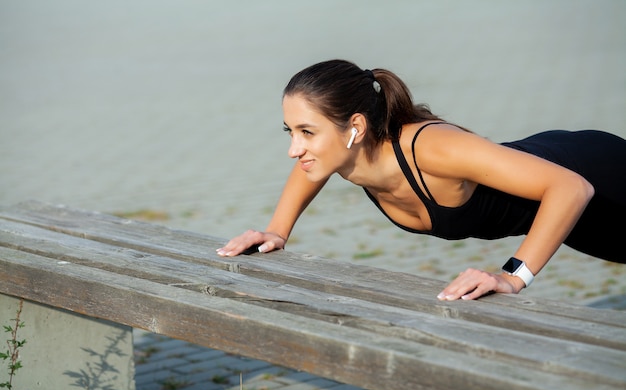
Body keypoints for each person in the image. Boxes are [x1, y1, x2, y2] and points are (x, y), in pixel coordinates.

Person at [217, 59, 626, 301]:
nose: (295, 149)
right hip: (575, 217)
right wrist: (277, 230)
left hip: (602, 179)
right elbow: (307, 168)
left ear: (354, 127)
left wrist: (511, 276)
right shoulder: (346, 154)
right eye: (289, 132)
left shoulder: (431, 149)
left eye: (307, 132)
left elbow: (572, 187)